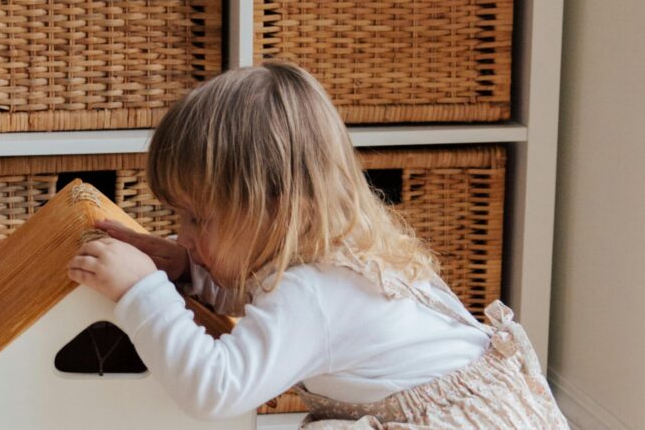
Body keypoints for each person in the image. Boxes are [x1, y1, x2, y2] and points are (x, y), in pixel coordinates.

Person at [68, 60, 568, 428]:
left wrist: (143, 295)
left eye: (200, 218)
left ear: (281, 207)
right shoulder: (337, 247)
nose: (185, 234)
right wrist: (186, 270)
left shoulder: (312, 294)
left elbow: (215, 390)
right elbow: (261, 295)